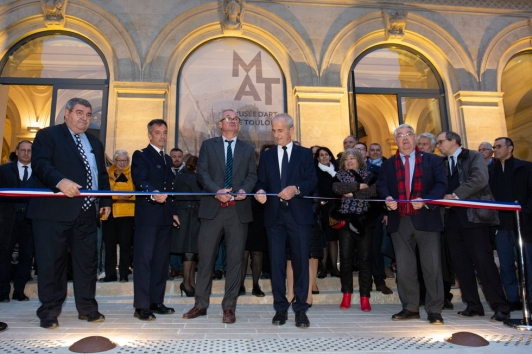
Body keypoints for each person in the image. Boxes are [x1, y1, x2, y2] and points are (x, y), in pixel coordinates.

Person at [27, 97, 111, 329]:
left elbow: (100, 173)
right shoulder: (48, 135)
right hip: (53, 212)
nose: (84, 118)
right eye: (79, 113)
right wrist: (60, 181)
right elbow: (41, 164)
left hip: (85, 213)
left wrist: (105, 199)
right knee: (52, 263)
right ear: (67, 113)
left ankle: (87, 308)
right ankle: (49, 312)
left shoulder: (95, 142)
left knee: (87, 263)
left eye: (88, 114)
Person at [183, 109, 257, 324]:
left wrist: (244, 190)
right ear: (220, 124)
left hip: (238, 212)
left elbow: (252, 175)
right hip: (212, 209)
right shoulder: (208, 145)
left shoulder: (248, 148)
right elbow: (202, 173)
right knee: (206, 259)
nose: (232, 122)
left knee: (235, 261)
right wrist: (217, 191)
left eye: (236, 119)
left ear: (239, 125)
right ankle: (201, 304)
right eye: (228, 118)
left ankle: (229, 307)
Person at [376, 124, 447, 325]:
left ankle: (434, 310)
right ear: (396, 141)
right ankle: (410, 308)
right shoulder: (388, 164)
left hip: (426, 218)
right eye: (400, 136)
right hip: (400, 220)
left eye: (408, 135)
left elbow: (441, 184)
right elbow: (381, 185)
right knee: (405, 269)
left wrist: (426, 199)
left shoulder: (433, 160)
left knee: (431, 267)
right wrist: (386, 197)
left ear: (415, 138)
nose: (405, 138)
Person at [436, 131, 510, 322]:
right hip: (452, 220)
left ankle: (500, 307)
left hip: (474, 218)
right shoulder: (443, 163)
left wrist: (456, 195)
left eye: (441, 142)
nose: (439, 146)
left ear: (453, 141)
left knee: (484, 263)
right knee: (461, 265)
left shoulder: (474, 156)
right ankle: (473, 305)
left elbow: (479, 180)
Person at [255, 113, 317, 328]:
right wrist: (260, 191)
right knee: (276, 264)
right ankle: (280, 308)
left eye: (280, 130)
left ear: (291, 130)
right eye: (273, 130)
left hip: (298, 216)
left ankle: (301, 309)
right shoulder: (268, 156)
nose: (276, 134)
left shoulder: (305, 154)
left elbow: (311, 181)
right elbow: (260, 181)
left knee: (301, 263)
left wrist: (296, 189)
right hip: (274, 217)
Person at [131, 119, 179, 321]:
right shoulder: (141, 155)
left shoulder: (168, 159)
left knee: (161, 261)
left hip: (165, 215)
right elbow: (140, 180)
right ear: (150, 135)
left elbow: (170, 188)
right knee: (144, 260)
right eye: (158, 132)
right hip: (148, 215)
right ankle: (141, 305)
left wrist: (173, 211)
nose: (162, 136)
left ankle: (156, 301)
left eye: (165, 132)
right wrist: (153, 193)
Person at [489, 137, 532, 312]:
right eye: (494, 147)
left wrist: (525, 210)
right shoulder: (491, 171)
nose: (495, 150)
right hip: (501, 224)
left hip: (524, 224)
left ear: (510, 148)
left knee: (527, 263)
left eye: (499, 146)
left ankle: (529, 298)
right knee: (506, 264)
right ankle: (513, 299)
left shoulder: (526, 168)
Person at [332, 148, 378, 311]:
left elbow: (373, 191)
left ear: (359, 161)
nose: (349, 161)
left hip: (364, 222)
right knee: (345, 259)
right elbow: (337, 188)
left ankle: (365, 297)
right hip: (345, 223)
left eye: (352, 158)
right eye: (346, 159)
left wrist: (354, 194)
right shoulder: (338, 176)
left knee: (365, 259)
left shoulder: (370, 176)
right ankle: (347, 294)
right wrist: (359, 186)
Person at [0, 141, 35, 302]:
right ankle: (3, 291)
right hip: (8, 218)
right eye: (23, 150)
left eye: (29, 151)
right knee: (4, 254)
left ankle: (19, 291)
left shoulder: (39, 172)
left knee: (26, 256)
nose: (26, 153)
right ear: (17, 151)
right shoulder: (4, 170)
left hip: (30, 219)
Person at [100, 150, 135, 283]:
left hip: (126, 213)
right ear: (115, 161)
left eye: (125, 160)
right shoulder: (107, 173)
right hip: (108, 214)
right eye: (120, 160)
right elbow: (104, 190)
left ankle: (124, 273)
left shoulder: (132, 174)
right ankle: (110, 274)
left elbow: (132, 191)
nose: (122, 163)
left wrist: (115, 194)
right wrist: (117, 194)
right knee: (109, 246)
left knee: (126, 245)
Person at [171, 155, 201, 297]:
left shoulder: (181, 176)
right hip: (190, 215)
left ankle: (191, 282)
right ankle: (187, 283)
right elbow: (200, 196)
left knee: (192, 249)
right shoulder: (191, 178)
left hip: (187, 214)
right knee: (189, 249)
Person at [314, 147, 340, 278]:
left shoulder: (337, 170)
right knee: (324, 239)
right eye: (321, 155)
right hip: (321, 209)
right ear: (317, 158)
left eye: (326, 155)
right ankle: (323, 268)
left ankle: (334, 268)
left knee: (333, 239)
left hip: (335, 209)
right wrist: (320, 202)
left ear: (330, 156)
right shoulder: (315, 171)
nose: (324, 157)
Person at [169, 147, 185, 279]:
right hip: (168, 209)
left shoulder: (186, 172)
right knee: (172, 239)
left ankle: (183, 268)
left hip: (184, 210)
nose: (176, 159)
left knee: (182, 239)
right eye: (174, 156)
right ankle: (174, 267)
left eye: (179, 156)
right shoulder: (165, 171)